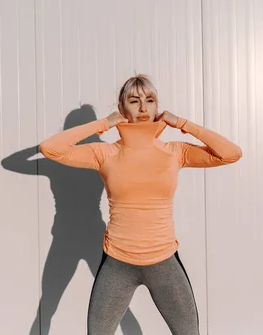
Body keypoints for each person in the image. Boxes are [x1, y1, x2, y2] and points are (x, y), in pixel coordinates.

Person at [39, 74, 242, 335]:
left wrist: (181, 123)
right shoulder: (105, 153)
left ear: (159, 108)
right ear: (123, 109)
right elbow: (50, 148)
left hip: (164, 262)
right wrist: (103, 124)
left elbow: (231, 153)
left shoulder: (174, 151)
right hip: (118, 263)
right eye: (134, 101)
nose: (144, 108)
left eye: (150, 100)